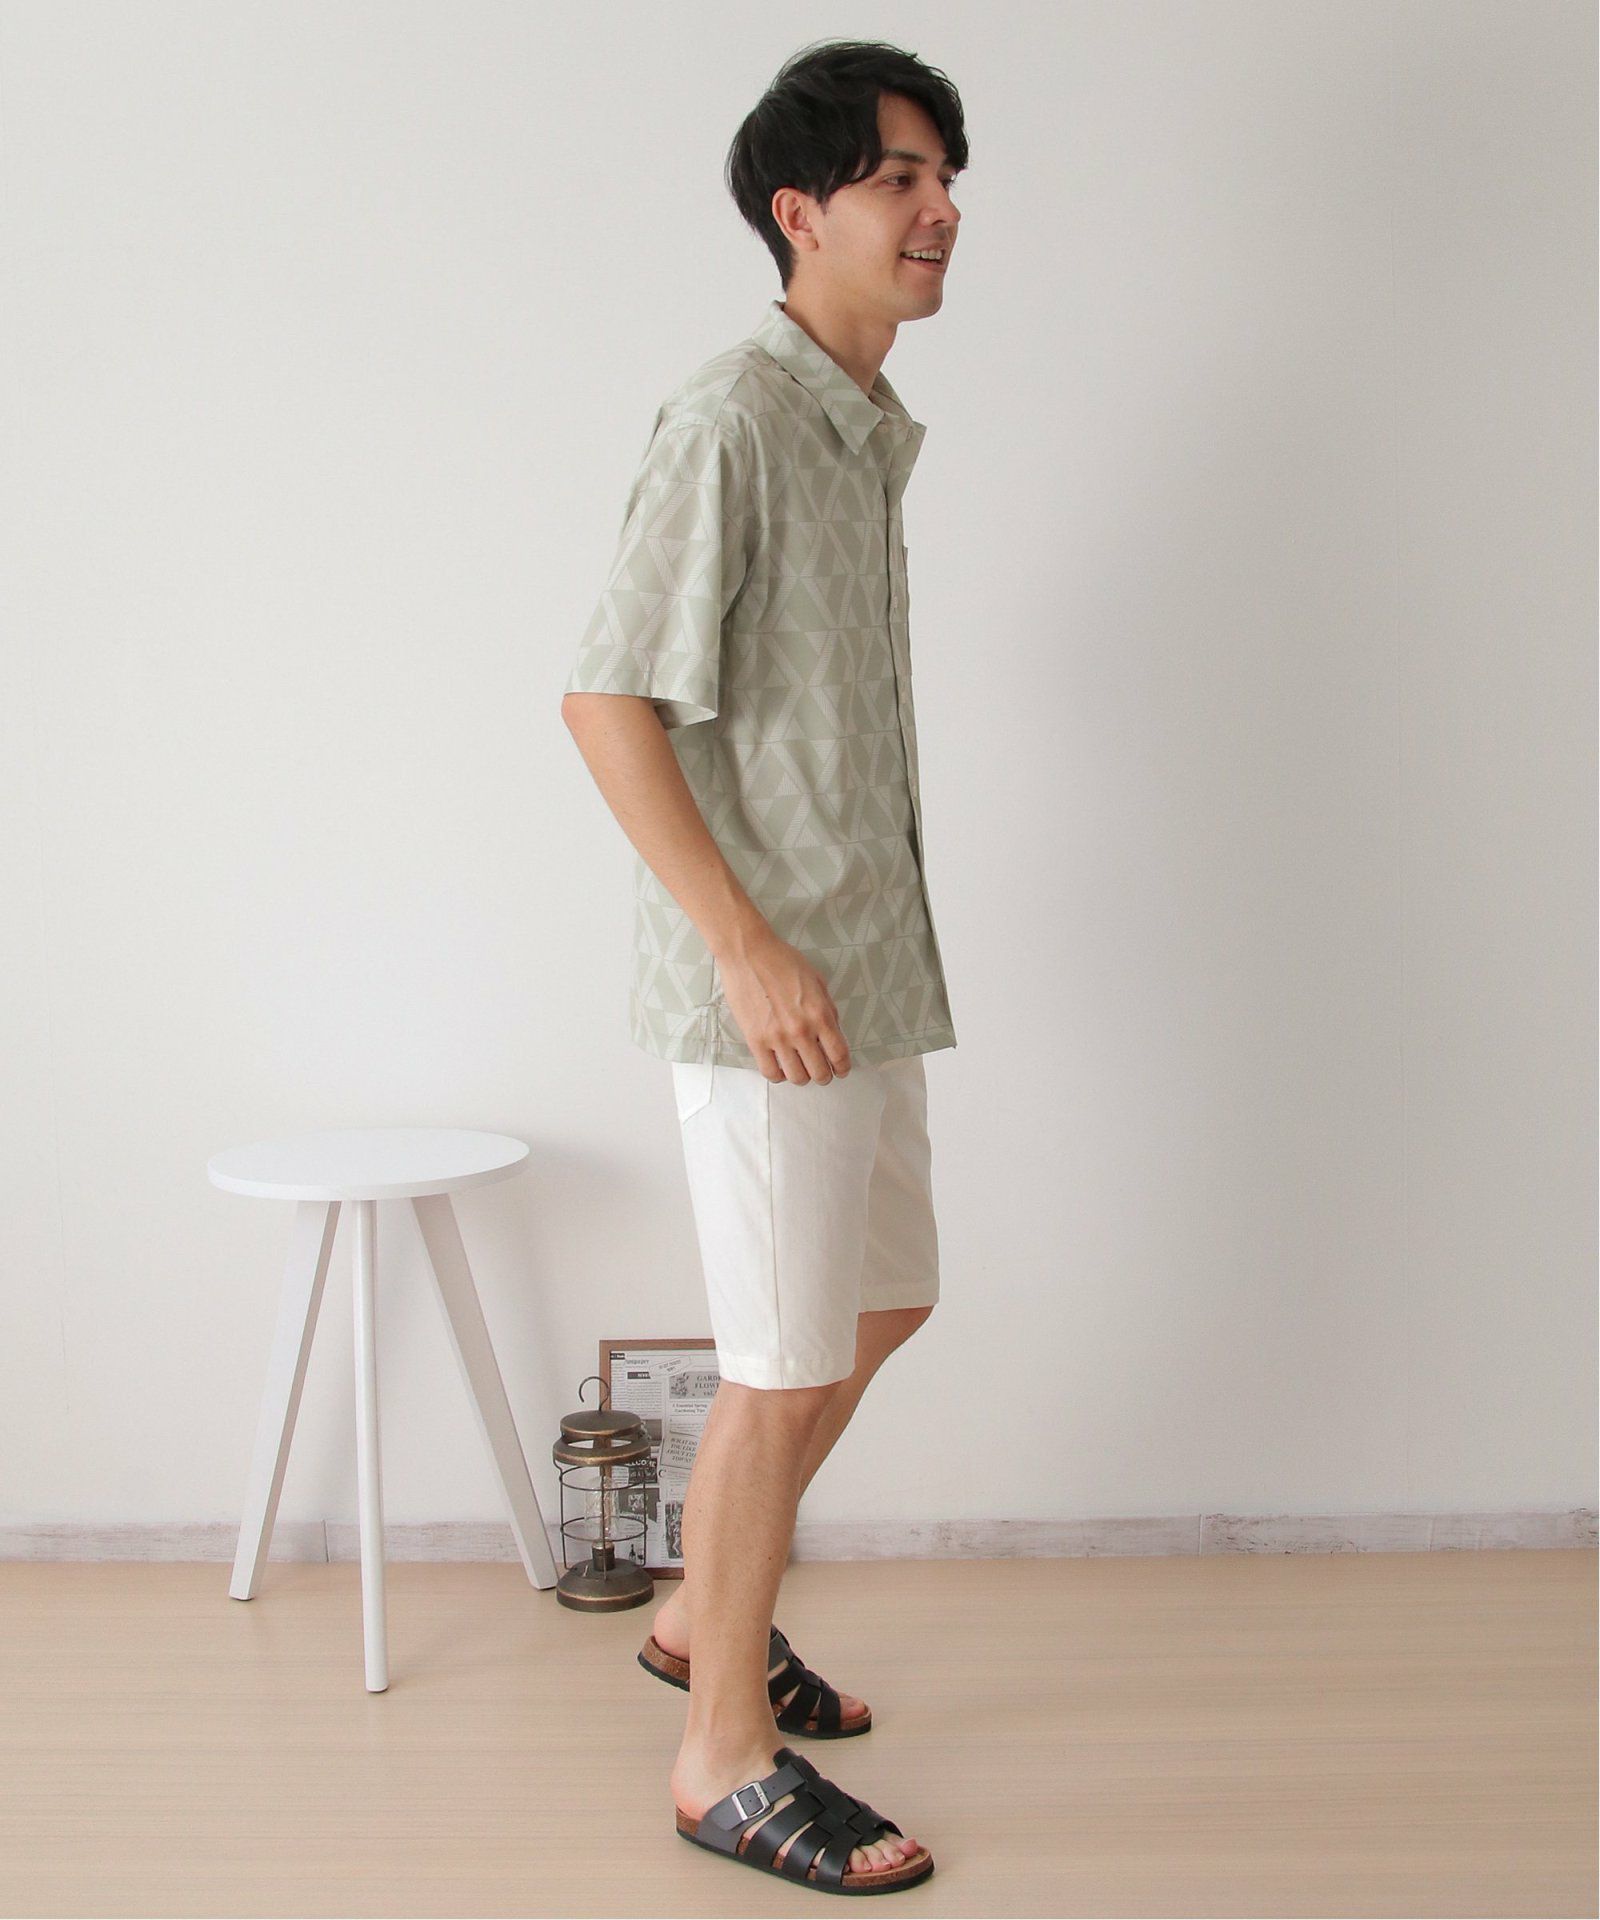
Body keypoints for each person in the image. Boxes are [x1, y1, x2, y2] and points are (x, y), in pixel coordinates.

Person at [561, 38, 967, 1897]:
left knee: (882, 1308)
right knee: (780, 1363)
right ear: (801, 213)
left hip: (863, 969)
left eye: (947, 179)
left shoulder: (858, 428)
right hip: (773, 993)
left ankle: (692, 1621)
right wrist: (746, 948)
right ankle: (719, 1754)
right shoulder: (734, 415)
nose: (939, 210)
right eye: (900, 178)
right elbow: (606, 700)